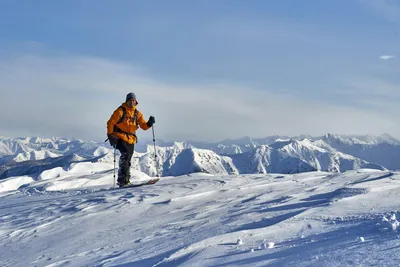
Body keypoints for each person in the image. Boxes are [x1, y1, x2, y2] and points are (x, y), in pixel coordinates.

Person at [106, 92, 155, 187]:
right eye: (130, 100)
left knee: (128, 158)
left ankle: (126, 180)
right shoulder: (120, 111)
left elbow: (143, 126)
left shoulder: (137, 114)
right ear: (127, 101)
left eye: (133, 100)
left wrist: (149, 123)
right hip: (119, 136)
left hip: (131, 139)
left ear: (136, 101)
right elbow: (110, 123)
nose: (132, 102)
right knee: (125, 154)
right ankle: (122, 181)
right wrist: (110, 135)